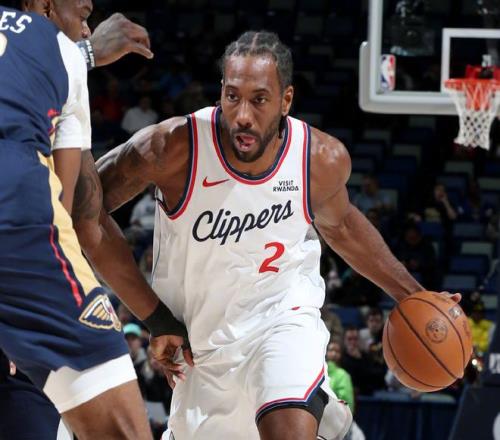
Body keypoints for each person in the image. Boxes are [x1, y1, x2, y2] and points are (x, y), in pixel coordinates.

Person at [92, 31, 459, 439]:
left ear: (286, 100)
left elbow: (341, 225)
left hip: (283, 322)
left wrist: (413, 294)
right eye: (233, 97)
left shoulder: (318, 159)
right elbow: (82, 209)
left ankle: (319, 411)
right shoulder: (171, 148)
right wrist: (155, 316)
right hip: (204, 351)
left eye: (259, 99)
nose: (243, 115)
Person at [0, 2, 174, 439]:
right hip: (15, 219)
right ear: (41, 5)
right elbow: (78, 221)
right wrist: (160, 319)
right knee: (121, 428)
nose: (89, 5)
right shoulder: (61, 50)